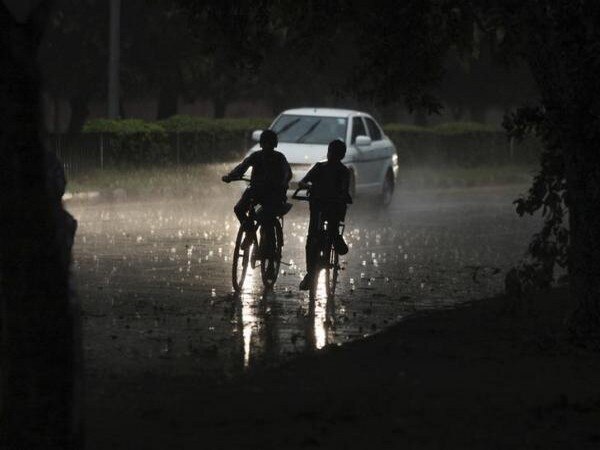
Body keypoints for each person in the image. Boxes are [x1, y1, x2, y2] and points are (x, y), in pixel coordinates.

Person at [222, 129, 292, 249]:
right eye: (265, 143)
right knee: (239, 209)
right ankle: (250, 233)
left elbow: (287, 173)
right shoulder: (256, 156)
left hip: (274, 194)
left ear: (274, 144)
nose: (267, 146)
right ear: (261, 144)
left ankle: (270, 251)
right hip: (255, 191)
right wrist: (231, 176)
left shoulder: (280, 158)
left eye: (270, 143)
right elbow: (242, 167)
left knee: (267, 217)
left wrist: (283, 182)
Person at [298, 139, 352, 290]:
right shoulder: (321, 167)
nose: (331, 156)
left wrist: (340, 195)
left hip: (331, 207)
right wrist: (306, 185)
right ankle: (311, 273)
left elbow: (344, 190)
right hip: (320, 207)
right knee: (312, 238)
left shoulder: (341, 171)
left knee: (316, 236)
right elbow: (304, 181)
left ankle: (335, 238)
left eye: (334, 153)